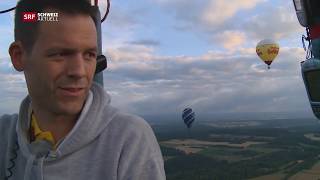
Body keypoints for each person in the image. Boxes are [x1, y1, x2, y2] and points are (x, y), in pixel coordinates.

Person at [0, 0, 166, 179]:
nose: (79, 72)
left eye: (89, 55)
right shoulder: (4, 134)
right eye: (60, 54)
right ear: (19, 56)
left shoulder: (129, 139)